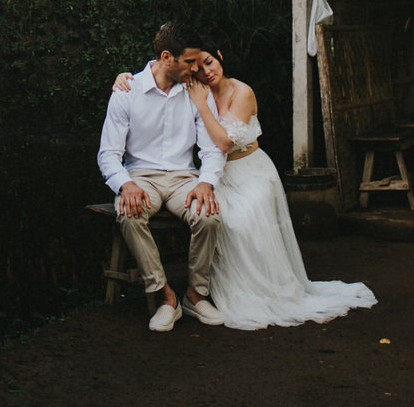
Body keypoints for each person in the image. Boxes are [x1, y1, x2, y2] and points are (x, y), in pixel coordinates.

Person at [114, 38, 376, 330]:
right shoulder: (191, 89)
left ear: (221, 57)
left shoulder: (237, 92)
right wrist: (126, 79)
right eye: (197, 67)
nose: (204, 71)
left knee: (235, 218)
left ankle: (241, 289)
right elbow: (153, 80)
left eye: (208, 62)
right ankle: (178, 296)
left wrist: (201, 106)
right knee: (223, 216)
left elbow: (223, 143)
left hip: (249, 170)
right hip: (218, 174)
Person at [96, 20, 227, 332]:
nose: (196, 68)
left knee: (208, 215)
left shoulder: (197, 91)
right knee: (128, 213)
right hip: (142, 178)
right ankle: (164, 296)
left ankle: (195, 296)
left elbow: (211, 148)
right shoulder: (127, 91)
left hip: (185, 179)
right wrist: (124, 183)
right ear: (167, 57)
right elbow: (108, 153)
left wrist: (206, 182)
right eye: (190, 61)